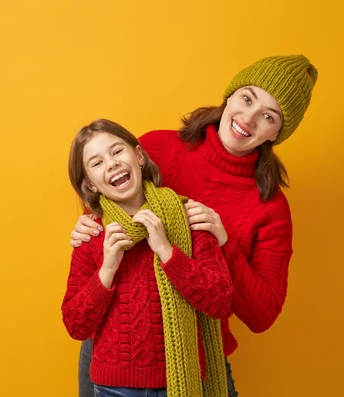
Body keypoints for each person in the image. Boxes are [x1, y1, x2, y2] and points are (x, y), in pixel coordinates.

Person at [71, 55, 318, 397]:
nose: (248, 119)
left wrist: (225, 242)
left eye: (268, 116)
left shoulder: (271, 209)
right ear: (229, 95)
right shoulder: (158, 147)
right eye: (247, 98)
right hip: (117, 346)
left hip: (197, 352)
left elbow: (262, 315)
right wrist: (86, 224)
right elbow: (106, 189)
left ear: (278, 132)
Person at [62, 119, 234, 397]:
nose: (111, 163)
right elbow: (75, 324)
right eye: (96, 163)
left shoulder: (189, 217)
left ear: (139, 156)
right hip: (114, 389)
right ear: (90, 186)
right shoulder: (92, 235)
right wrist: (107, 268)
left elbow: (220, 301)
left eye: (117, 151)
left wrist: (166, 250)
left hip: (183, 381)